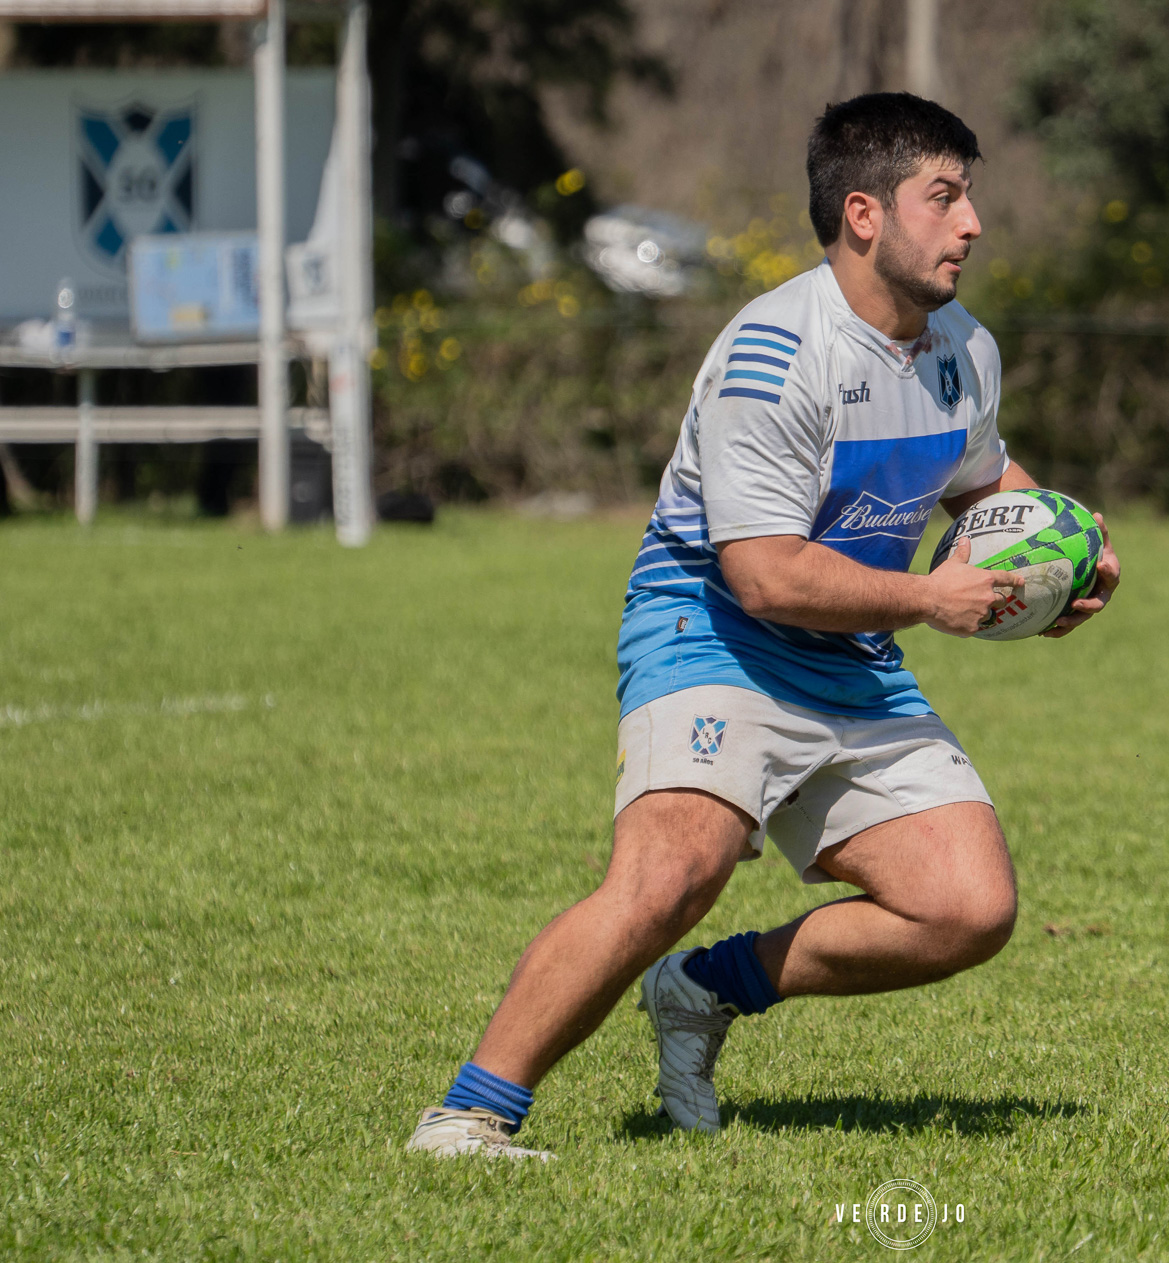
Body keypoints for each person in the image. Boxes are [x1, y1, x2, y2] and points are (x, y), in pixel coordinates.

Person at [405, 92, 1121, 1158]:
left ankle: (703, 989)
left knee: (965, 909)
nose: (972, 223)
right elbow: (766, 576)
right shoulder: (776, 355)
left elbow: (981, 480)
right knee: (671, 875)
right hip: (713, 632)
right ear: (865, 215)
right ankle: (469, 1114)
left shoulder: (962, 348)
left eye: (970, 197)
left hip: (852, 652)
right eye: (945, 197)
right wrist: (932, 599)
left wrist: (1065, 549)